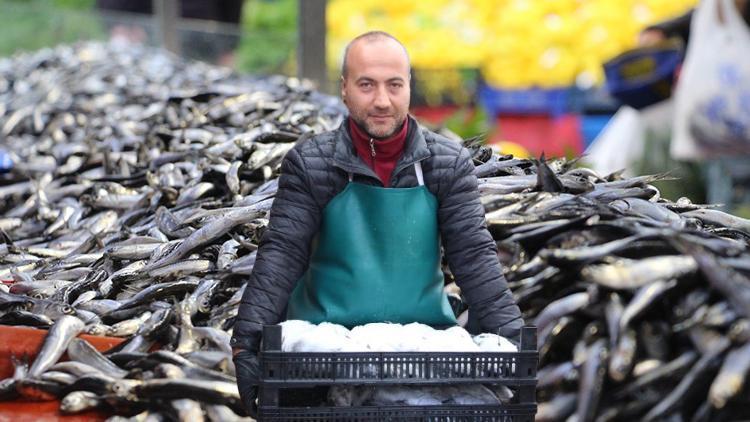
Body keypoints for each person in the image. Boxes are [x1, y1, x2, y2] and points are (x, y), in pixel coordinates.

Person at [230, 31, 524, 416]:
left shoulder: (446, 163)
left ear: (409, 89)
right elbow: (282, 253)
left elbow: (473, 255)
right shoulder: (312, 162)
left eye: (394, 85)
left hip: (423, 350)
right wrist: (248, 340)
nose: (382, 101)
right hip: (322, 352)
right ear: (345, 90)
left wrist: (514, 338)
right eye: (366, 85)